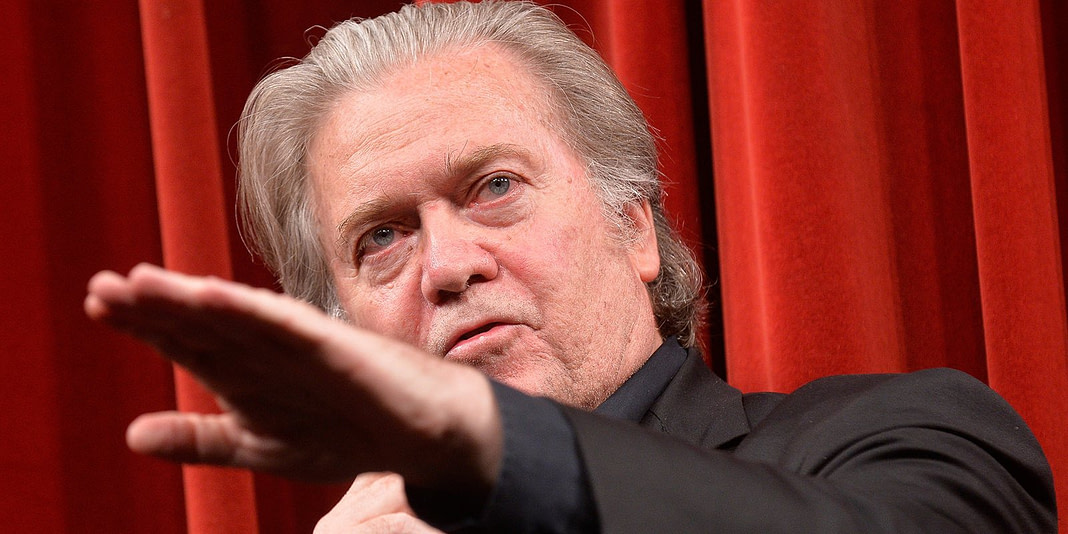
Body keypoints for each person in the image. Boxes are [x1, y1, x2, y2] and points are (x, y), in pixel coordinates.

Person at [85, 1, 1057, 532]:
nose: (448, 265)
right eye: (381, 238)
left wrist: (491, 449)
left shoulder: (900, 438)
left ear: (634, 227)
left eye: (494, 187)